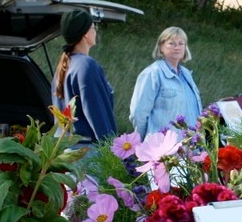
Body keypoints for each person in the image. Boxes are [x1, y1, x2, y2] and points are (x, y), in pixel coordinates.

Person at [52, 8, 117, 142]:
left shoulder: (63, 66)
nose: (95, 31)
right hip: (87, 151)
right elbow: (97, 114)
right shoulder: (86, 66)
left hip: (64, 149)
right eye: (93, 27)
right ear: (85, 34)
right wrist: (111, 148)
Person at [129, 26, 202, 139]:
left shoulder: (187, 75)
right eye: (171, 43)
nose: (177, 47)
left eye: (181, 43)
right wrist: (142, 141)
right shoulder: (152, 73)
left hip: (190, 146)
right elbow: (139, 114)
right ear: (161, 47)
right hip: (161, 146)